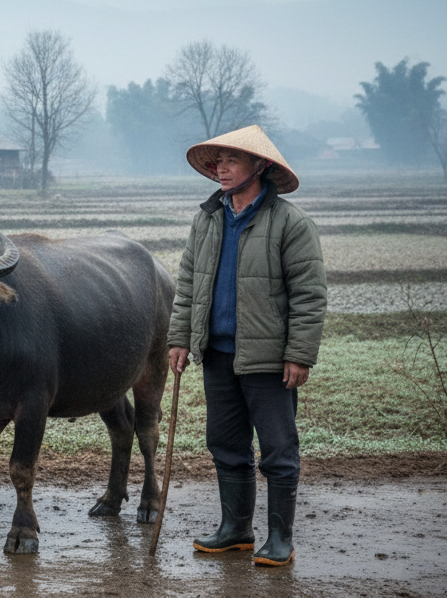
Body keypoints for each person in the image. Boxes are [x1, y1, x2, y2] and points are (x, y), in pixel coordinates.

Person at [167, 124, 326, 567]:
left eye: (232, 160)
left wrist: (298, 354)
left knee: (278, 449)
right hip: (217, 354)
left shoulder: (290, 224)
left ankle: (279, 539)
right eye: (217, 161)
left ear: (260, 166)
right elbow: (188, 286)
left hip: (269, 360)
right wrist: (180, 338)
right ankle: (235, 528)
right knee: (225, 444)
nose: (221, 168)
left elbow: (310, 296)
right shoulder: (207, 219)